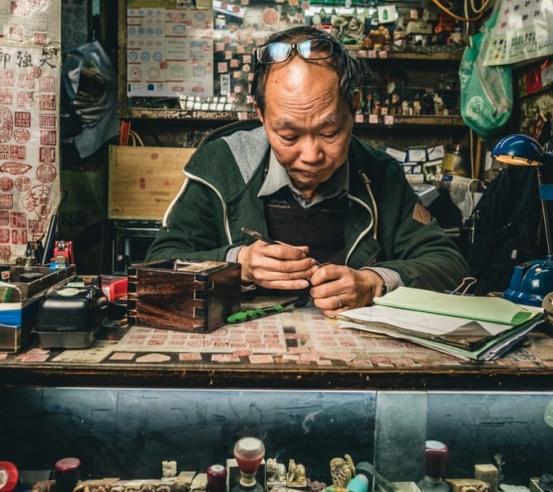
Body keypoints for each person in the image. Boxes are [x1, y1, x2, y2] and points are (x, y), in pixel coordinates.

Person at [145, 25, 470, 317]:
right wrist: (237, 263)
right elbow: (160, 266)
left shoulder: (379, 174)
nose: (311, 156)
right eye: (288, 136)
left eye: (330, 133)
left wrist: (374, 283)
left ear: (354, 108)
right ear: (260, 114)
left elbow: (449, 265)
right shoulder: (222, 165)